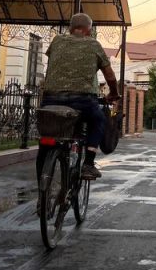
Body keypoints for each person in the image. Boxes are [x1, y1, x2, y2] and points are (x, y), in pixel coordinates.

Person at [41, 13, 119, 180]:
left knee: (46, 140)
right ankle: (88, 164)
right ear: (89, 30)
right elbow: (110, 77)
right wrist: (113, 93)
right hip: (82, 101)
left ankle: (43, 185)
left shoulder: (57, 40)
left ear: (70, 28)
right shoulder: (93, 44)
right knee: (98, 119)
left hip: (50, 99)